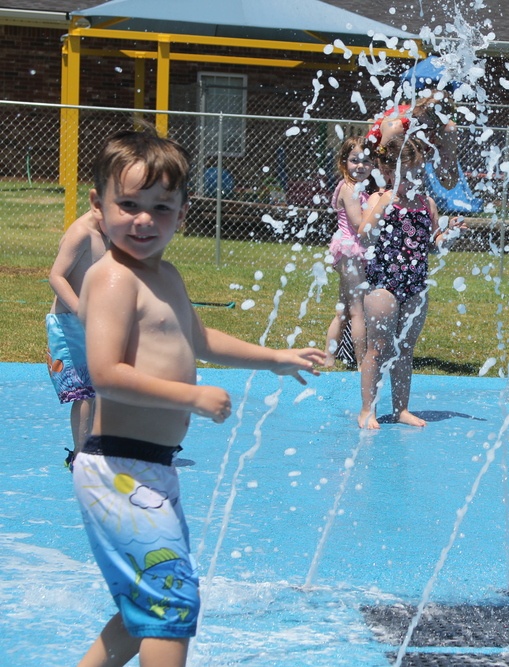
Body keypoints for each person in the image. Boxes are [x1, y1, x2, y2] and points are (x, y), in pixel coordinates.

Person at [73, 125, 326, 667]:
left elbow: (201, 339)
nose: (144, 220)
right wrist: (189, 398)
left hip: (148, 467)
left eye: (161, 208)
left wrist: (276, 358)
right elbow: (106, 373)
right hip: (118, 466)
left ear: (183, 213)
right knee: (170, 603)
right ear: (98, 206)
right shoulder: (114, 278)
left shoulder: (165, 275)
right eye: (128, 204)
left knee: (149, 604)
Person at [357, 135, 464, 429]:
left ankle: (401, 408)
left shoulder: (425, 202)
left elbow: (433, 242)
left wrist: (449, 233)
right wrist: (387, 202)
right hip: (384, 284)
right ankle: (368, 409)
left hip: (415, 284)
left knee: (405, 349)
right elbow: (365, 234)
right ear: (391, 173)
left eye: (420, 172)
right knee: (377, 350)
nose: (416, 179)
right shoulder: (380, 198)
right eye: (410, 174)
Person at [46, 210, 109, 465]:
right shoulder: (82, 233)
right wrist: (81, 310)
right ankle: (80, 455)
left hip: (94, 323)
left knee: (98, 387)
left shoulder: (109, 232)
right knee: (82, 391)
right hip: (69, 323)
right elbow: (56, 276)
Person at [324, 136, 373, 367]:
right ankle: (363, 363)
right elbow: (357, 223)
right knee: (358, 311)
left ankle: (329, 358)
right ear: (344, 163)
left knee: (343, 311)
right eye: (355, 160)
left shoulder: (355, 188)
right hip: (351, 253)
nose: (361, 166)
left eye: (366, 161)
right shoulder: (350, 188)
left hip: (347, 253)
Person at [366, 91, 459, 189]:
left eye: (425, 128)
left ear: (438, 127)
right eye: (415, 122)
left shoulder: (447, 131)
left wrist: (442, 172)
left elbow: (450, 185)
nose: (416, 130)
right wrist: (382, 193)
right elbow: (379, 165)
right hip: (372, 156)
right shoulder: (396, 128)